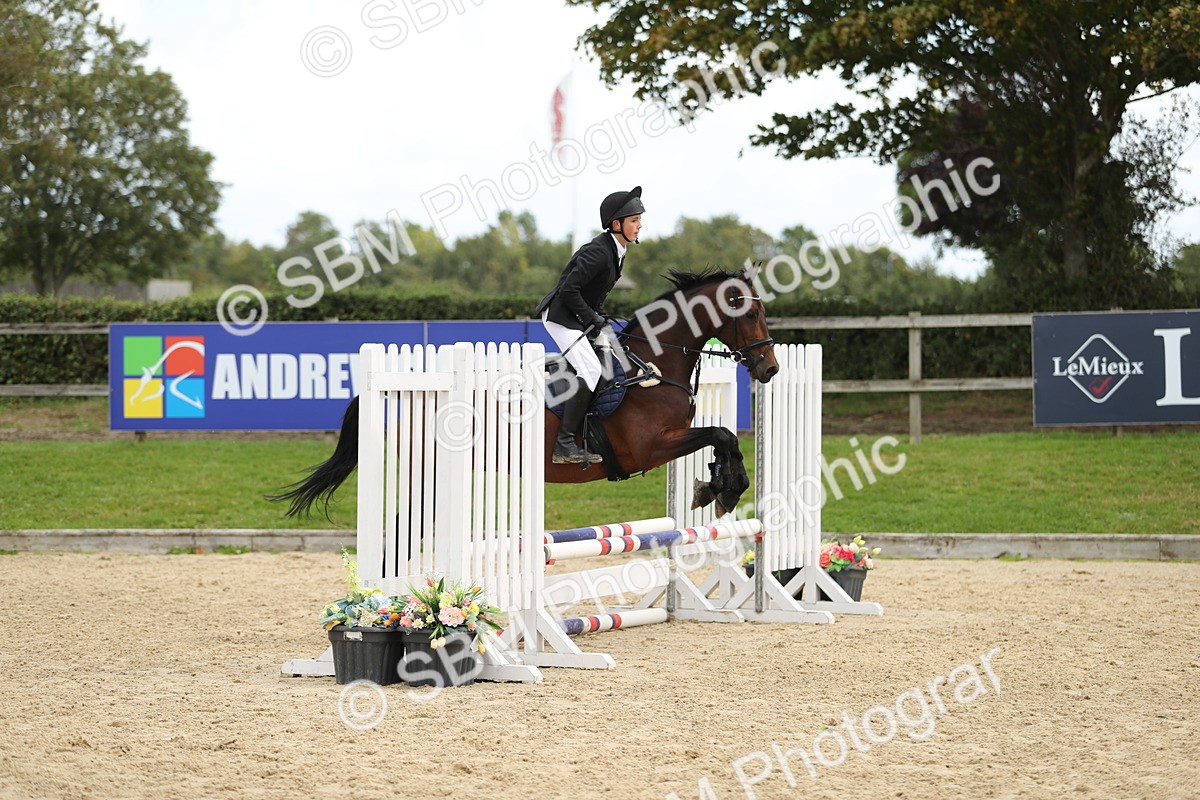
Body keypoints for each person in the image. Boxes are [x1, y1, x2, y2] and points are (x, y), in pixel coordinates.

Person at [535, 185, 644, 464]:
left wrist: (599, 315)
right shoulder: (598, 252)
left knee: (609, 356)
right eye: (634, 220)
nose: (639, 225)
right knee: (591, 368)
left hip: (577, 316)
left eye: (639, 220)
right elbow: (569, 289)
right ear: (616, 224)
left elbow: (590, 292)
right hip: (561, 317)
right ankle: (564, 444)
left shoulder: (616, 250)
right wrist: (591, 317)